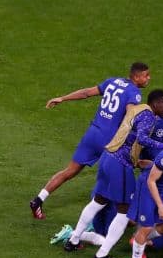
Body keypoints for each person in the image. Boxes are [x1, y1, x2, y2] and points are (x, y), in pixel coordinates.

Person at [63, 89, 163, 258]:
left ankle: (73, 241)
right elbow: (142, 139)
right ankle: (101, 255)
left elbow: (130, 136)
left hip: (108, 157)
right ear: (156, 103)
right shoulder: (149, 116)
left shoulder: (138, 109)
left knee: (98, 201)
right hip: (120, 164)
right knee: (125, 211)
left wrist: (137, 161)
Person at [29, 62, 151, 219]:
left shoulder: (112, 82)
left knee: (69, 171)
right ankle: (122, 217)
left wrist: (62, 98)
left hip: (93, 133)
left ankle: (38, 199)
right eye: (146, 75)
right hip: (109, 140)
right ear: (136, 76)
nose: (148, 78)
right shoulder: (134, 93)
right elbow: (130, 115)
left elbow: (86, 93)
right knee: (120, 174)